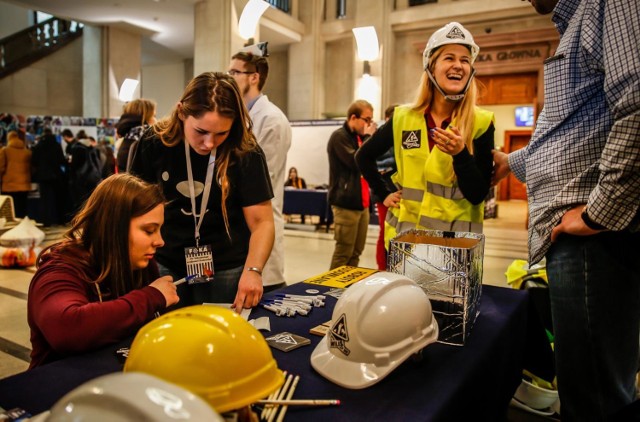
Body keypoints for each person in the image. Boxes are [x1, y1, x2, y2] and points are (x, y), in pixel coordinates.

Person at [491, 1, 640, 420]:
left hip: (595, 241)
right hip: (584, 239)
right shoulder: (575, 21)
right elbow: (567, 137)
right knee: (584, 384)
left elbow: (637, 101)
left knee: (594, 397)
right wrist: (509, 162)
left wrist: (599, 213)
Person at [129, 72, 274, 312]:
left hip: (226, 265)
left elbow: (262, 222)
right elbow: (133, 210)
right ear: (182, 112)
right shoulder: (154, 143)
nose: (209, 143)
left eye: (221, 134)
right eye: (200, 131)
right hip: (165, 260)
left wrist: (253, 271)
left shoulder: (244, 150)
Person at [356, 22, 494, 253]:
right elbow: (364, 156)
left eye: (465, 60)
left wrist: (460, 155)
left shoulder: (481, 122)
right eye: (449, 58)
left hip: (454, 249)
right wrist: (384, 193)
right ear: (431, 67)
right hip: (405, 242)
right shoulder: (403, 117)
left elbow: (477, 194)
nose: (458, 65)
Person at [27, 173, 179, 369]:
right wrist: (152, 296)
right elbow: (68, 328)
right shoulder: (60, 270)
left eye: (159, 230)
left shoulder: (141, 264)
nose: (160, 241)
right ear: (114, 227)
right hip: (60, 388)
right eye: (149, 230)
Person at [228, 43, 292, 292]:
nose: (229, 78)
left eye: (234, 73)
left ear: (253, 77)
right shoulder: (242, 116)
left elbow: (261, 179)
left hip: (260, 222)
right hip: (238, 228)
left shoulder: (271, 120)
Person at [327, 99, 375, 270]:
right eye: (367, 120)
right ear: (353, 118)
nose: (369, 124)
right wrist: (369, 137)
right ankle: (331, 291)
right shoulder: (339, 137)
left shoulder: (359, 138)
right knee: (343, 253)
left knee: (356, 252)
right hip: (345, 203)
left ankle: (348, 289)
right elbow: (356, 162)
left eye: (371, 120)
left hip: (362, 204)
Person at [371, 104, 398, 270]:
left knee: (397, 234)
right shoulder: (381, 136)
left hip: (398, 193)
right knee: (385, 232)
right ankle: (382, 268)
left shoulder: (399, 135)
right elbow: (375, 162)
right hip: (385, 193)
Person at [31, 128, 66, 226]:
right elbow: (61, 160)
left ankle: (46, 221)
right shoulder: (56, 145)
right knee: (57, 198)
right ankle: (59, 220)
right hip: (56, 175)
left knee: (44, 199)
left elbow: (34, 161)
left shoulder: (39, 146)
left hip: (42, 176)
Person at [115, 98, 157, 173]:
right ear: (145, 117)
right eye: (153, 116)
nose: (156, 120)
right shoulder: (146, 141)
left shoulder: (127, 139)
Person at [0, 130, 32, 218]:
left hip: (9, 185)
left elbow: (1, 167)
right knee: (22, 207)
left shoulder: (5, 150)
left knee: (11, 208)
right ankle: (23, 225)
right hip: (24, 185)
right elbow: (32, 168)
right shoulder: (27, 152)